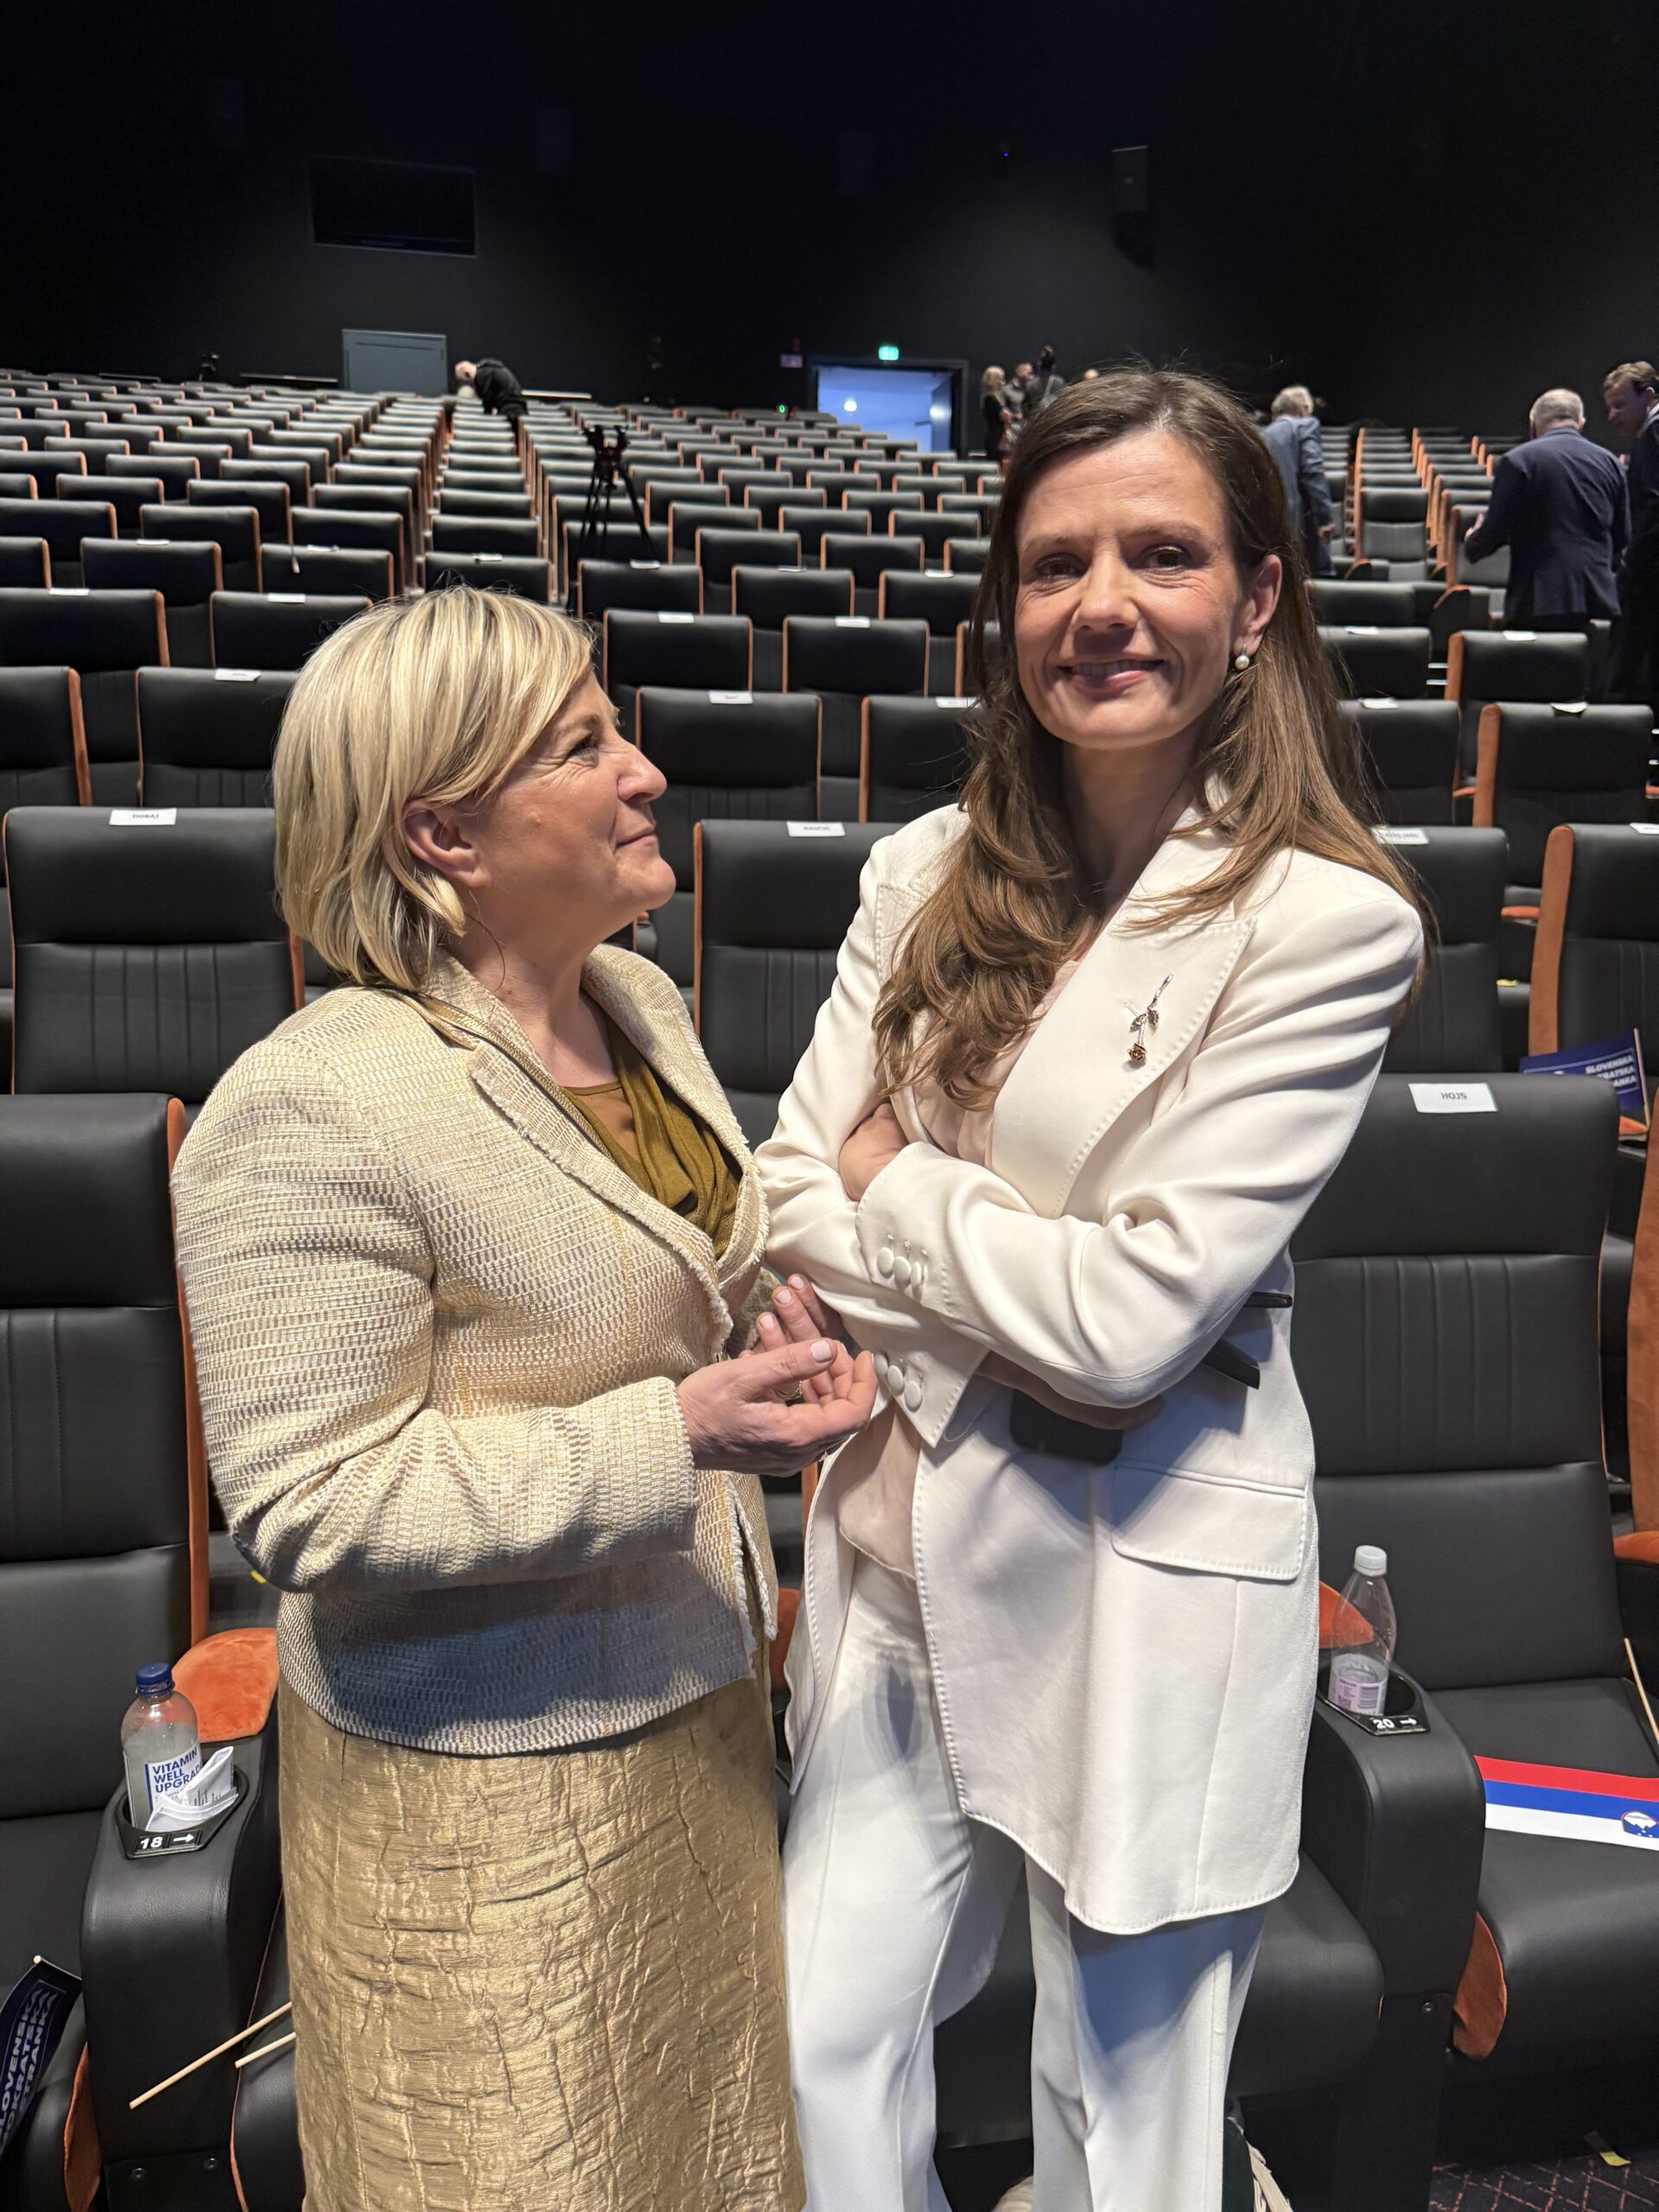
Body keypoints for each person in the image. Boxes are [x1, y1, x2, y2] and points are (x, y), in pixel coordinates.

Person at [753, 369, 1425, 2211]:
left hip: (1144, 1574)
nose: (1103, 605)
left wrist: (894, 1181)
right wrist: (1007, 1284)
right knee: (818, 2036)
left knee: (1121, 2123)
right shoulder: (921, 870)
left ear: (1259, 595)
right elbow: (782, 1188)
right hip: (899, 1552)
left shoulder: (1325, 925)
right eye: (1056, 565)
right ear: (1007, 605)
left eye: (1162, 554)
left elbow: (1129, 1325)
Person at [171, 589, 877, 2212]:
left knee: (712, 2164)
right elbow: (309, 1503)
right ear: (443, 833)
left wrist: (767, 1323)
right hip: (480, 1798)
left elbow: (666, 1273)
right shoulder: (313, 1103)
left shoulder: (638, 1005)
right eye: (583, 746)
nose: (645, 771)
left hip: (697, 1715)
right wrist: (681, 1431)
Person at [1460, 388, 1625, 627]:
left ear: (1532, 424)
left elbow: (1493, 533)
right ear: (1581, 423)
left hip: (1540, 599)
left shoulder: (1518, 461)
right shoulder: (1612, 464)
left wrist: (1473, 541)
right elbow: (1622, 538)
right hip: (1600, 599)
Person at [1605, 359, 1659, 700]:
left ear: (1649, 396)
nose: (1613, 416)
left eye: (1620, 405)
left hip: (1648, 575)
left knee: (1625, 668)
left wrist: (1629, 562)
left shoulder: (1652, 436)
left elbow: (1654, 505)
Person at [1260, 385, 1335, 575]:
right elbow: (1313, 472)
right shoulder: (1304, 425)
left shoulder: (1259, 436)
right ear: (1304, 409)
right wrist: (1324, 519)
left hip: (1267, 530)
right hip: (1298, 530)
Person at [454, 354, 526, 422]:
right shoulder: (491, 369)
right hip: (517, 409)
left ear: (467, 373)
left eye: (467, 382)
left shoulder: (482, 374)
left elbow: (487, 402)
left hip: (510, 412)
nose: (472, 386)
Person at [982, 364, 1013, 463]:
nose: (1003, 383)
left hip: (998, 436)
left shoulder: (996, 397)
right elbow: (1005, 416)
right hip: (997, 439)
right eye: (1000, 380)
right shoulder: (990, 398)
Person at [1024, 341, 1066, 416]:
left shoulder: (1031, 384)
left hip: (1037, 417)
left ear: (1040, 365)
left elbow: (1027, 405)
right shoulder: (1059, 382)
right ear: (1053, 366)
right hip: (1054, 416)